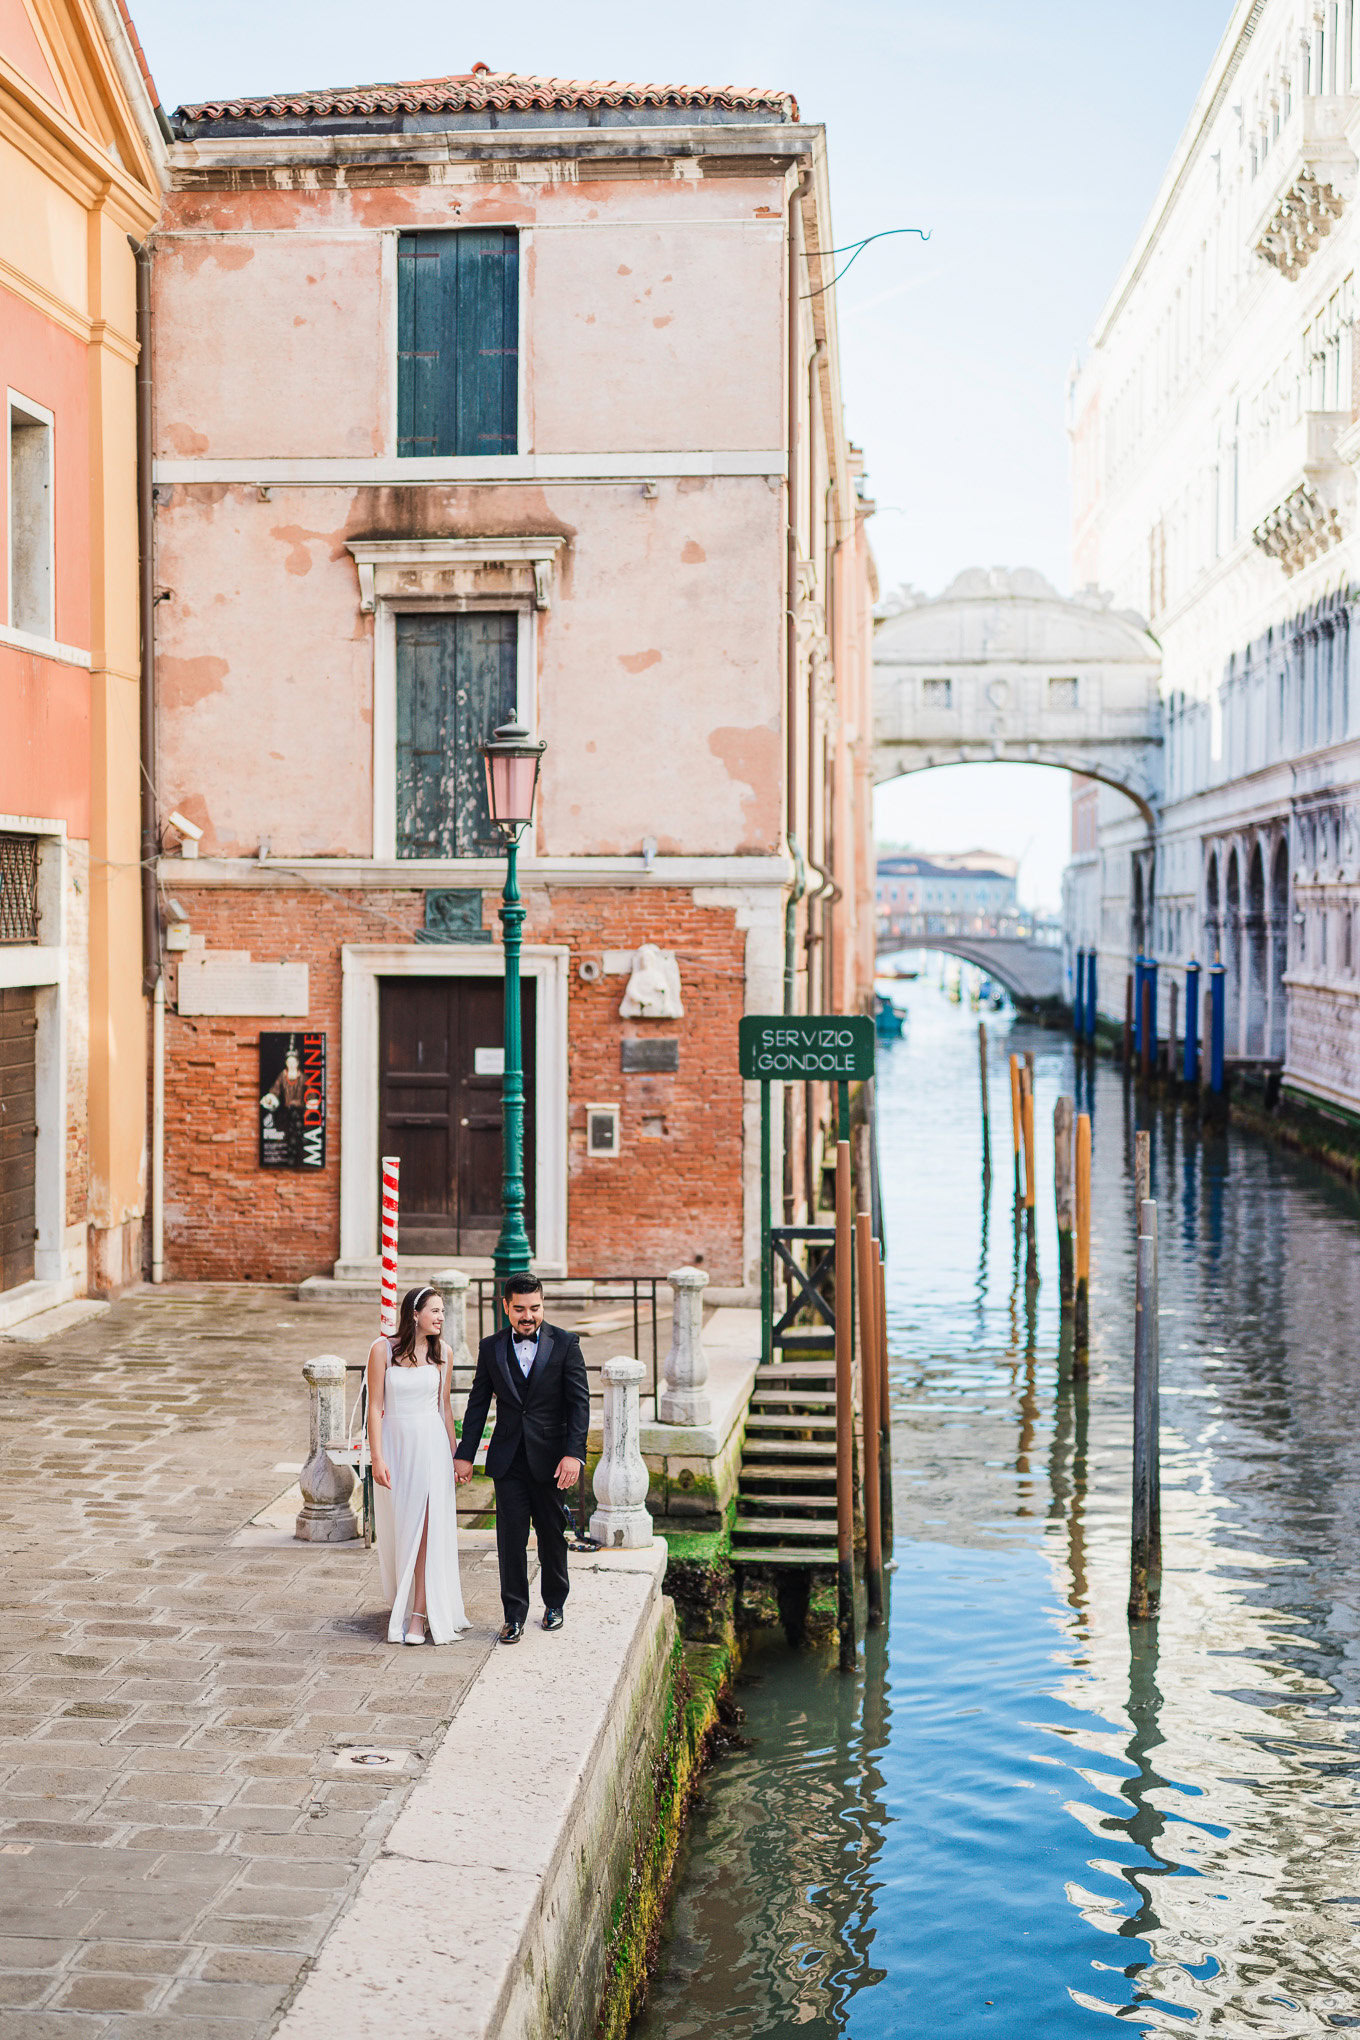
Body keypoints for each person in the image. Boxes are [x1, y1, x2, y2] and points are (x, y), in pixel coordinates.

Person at [454, 1273, 589, 1644]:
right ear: (506, 1308)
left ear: (542, 1304)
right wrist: (465, 1454)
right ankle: (513, 1615)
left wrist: (573, 1455)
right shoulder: (491, 1347)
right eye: (520, 1309)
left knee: (551, 1535)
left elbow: (579, 1404)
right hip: (508, 1459)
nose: (527, 1316)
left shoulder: (565, 1344)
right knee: (509, 1539)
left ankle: (555, 1604)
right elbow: (478, 1403)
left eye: (534, 1308)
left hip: (551, 1460)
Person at [367, 1286, 469, 1645]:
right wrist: (377, 1457)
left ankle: (419, 1615)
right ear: (414, 1313)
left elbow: (444, 1408)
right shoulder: (382, 1350)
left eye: (443, 1311)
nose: (441, 1317)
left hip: (431, 1447)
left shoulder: (444, 1353)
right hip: (395, 1446)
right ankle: (403, 1598)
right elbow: (375, 1408)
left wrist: (457, 1457)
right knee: (402, 1526)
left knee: (427, 1529)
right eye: (435, 1311)